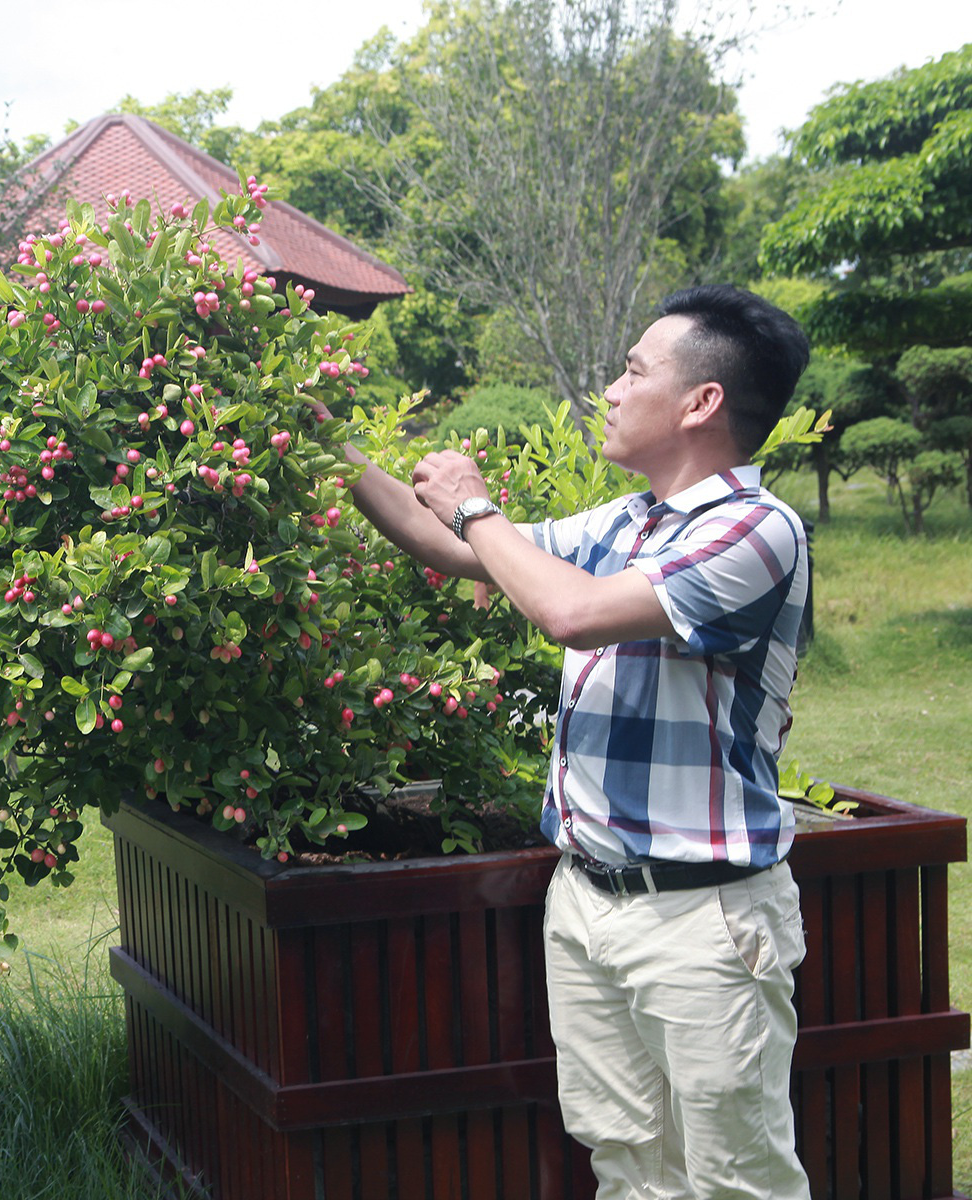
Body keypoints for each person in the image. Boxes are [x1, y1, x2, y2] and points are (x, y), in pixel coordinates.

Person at [315, 285, 812, 1199]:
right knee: (624, 1160)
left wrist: (474, 503)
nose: (612, 392)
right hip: (587, 903)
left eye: (633, 371)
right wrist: (319, 438)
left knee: (736, 1179)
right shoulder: (627, 522)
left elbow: (569, 612)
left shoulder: (755, 529)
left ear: (702, 403)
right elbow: (458, 551)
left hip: (703, 920)